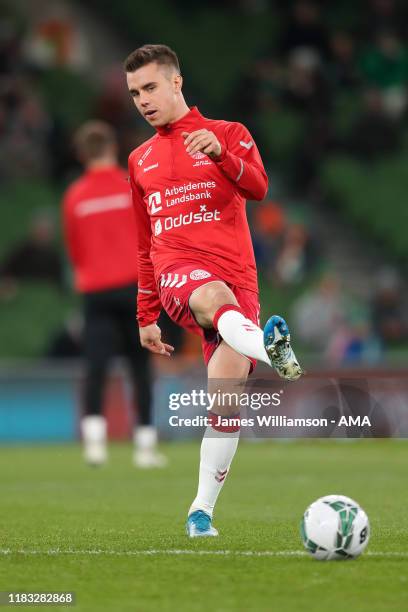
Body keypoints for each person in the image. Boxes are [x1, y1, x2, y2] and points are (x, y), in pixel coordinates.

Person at [124, 44, 303, 537]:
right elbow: (145, 244)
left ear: (176, 83)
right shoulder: (140, 160)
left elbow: (260, 188)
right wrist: (146, 313)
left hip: (238, 282)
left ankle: (200, 511)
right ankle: (270, 346)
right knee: (210, 295)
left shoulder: (228, 134)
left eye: (151, 87)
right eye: (135, 93)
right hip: (179, 272)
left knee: (224, 402)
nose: (142, 100)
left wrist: (223, 156)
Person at [62, 120, 166, 468]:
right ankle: (145, 447)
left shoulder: (74, 195)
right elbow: (153, 232)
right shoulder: (131, 183)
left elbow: (75, 251)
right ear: (113, 148)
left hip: (96, 291)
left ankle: (95, 446)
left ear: (80, 154)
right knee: (140, 367)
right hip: (136, 287)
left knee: (96, 366)